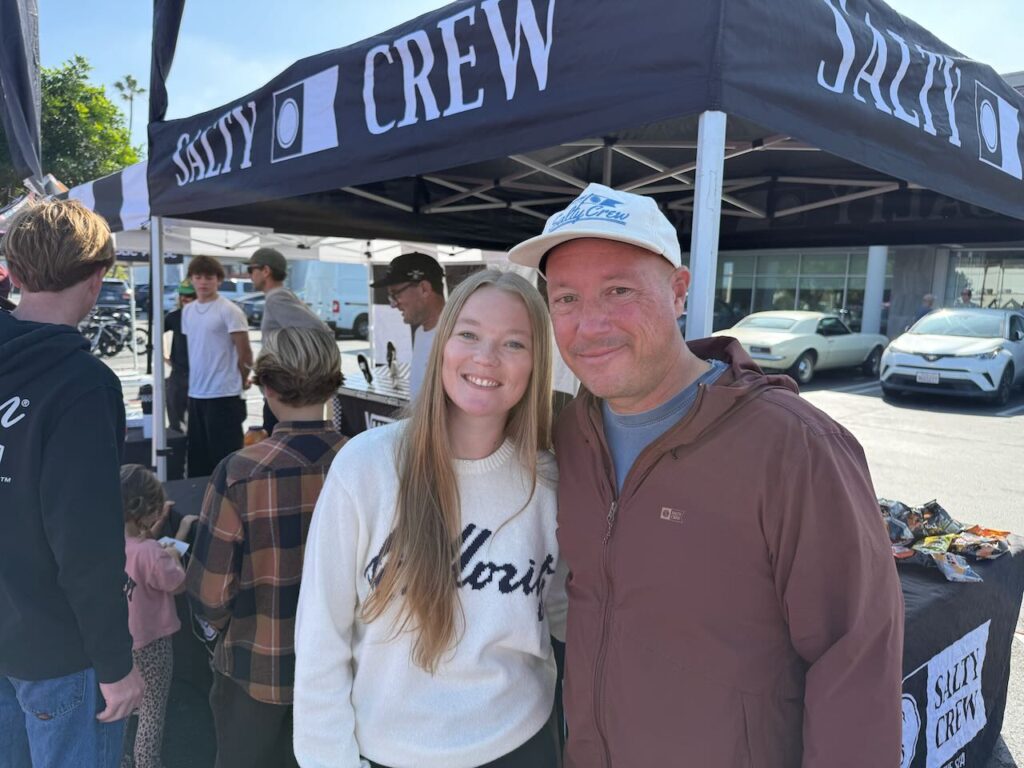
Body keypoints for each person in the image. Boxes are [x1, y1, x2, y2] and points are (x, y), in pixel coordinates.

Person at [508, 183, 903, 768]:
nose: (589, 324)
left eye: (618, 290)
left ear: (678, 290)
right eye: (566, 299)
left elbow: (856, 661)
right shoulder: (571, 434)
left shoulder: (794, 447)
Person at [293, 270, 566, 768]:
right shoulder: (367, 466)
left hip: (520, 745)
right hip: (387, 752)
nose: (486, 356)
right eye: (469, 334)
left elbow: (564, 613)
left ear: (537, 364)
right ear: (442, 345)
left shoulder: (548, 482)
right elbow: (320, 636)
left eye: (514, 343)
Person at [0, 200, 144, 767]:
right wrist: (116, 665)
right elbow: (86, 545)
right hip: (59, 651)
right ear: (96, 276)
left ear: (12, 268)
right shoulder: (83, 385)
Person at [187, 326, 346, 768]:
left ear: (266, 385)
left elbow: (209, 593)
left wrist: (219, 634)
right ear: (334, 382)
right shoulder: (372, 464)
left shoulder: (239, 472)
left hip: (256, 672)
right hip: (350, 675)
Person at [120, 464, 195, 768]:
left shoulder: (106, 543)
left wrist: (167, 528)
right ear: (149, 511)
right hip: (152, 645)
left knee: (125, 703)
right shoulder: (151, 554)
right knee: (152, 707)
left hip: (119, 641)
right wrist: (176, 550)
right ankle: (147, 763)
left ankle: (119, 756)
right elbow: (178, 583)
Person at [245, 246, 330, 435]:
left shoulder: (277, 298)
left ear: (265, 271)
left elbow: (320, 331)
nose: (249, 275)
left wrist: (295, 367)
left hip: (282, 392)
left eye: (251, 269)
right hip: (281, 389)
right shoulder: (279, 296)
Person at [181, 255, 253, 477]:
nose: (203, 282)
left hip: (224, 393)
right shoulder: (188, 311)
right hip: (196, 394)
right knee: (198, 458)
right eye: (198, 277)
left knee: (226, 459)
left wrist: (242, 379)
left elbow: (245, 351)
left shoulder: (229, 310)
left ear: (219, 280)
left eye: (209, 277)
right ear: (191, 279)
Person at [371, 252, 446, 398]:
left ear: (424, 288)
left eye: (396, 293)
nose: (393, 304)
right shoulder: (420, 332)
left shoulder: (458, 334)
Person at [164, 280, 195, 432]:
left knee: (197, 420)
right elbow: (156, 333)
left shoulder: (206, 316)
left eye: (189, 295)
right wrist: (163, 354)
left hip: (200, 374)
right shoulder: (174, 316)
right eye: (182, 294)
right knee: (176, 420)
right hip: (178, 373)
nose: (185, 298)